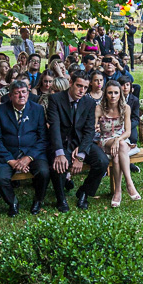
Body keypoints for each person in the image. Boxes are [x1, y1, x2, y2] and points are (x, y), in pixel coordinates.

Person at [47, 71, 107, 211]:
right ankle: (61, 199)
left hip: (82, 142)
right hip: (61, 142)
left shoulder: (89, 102)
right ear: (70, 83)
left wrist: (81, 154)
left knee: (102, 161)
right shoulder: (55, 99)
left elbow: (89, 130)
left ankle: (84, 193)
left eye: (85, 87)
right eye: (79, 86)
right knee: (59, 164)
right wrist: (59, 153)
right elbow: (54, 128)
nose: (82, 90)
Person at [0, 80, 50, 216]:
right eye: (17, 93)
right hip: (8, 153)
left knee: (44, 172)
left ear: (28, 94)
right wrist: (10, 160)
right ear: (10, 96)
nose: (21, 95)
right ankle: (13, 202)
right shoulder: (0, 110)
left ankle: (38, 200)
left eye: (24, 92)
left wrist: (29, 157)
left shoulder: (37, 109)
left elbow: (43, 138)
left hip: (32, 152)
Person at [95, 79, 140, 206]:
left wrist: (117, 140)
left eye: (115, 93)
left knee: (116, 157)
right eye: (110, 93)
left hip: (121, 139)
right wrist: (96, 127)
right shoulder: (99, 109)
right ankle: (130, 184)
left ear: (120, 94)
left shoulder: (126, 108)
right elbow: (92, 128)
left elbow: (128, 132)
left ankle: (118, 191)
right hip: (105, 140)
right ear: (105, 94)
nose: (113, 96)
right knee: (121, 147)